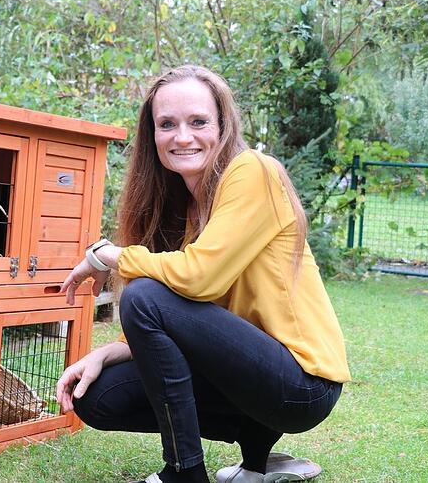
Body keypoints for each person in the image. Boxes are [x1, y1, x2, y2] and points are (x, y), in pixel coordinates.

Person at [57, 65, 350, 483]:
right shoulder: (186, 210)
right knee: (99, 395)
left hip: (301, 384)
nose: (182, 136)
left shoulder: (254, 172)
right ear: (153, 135)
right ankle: (259, 465)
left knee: (143, 295)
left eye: (198, 122)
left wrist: (110, 255)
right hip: (249, 373)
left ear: (222, 125)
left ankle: (184, 473)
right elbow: (187, 314)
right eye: (167, 124)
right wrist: (104, 354)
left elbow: (198, 280)